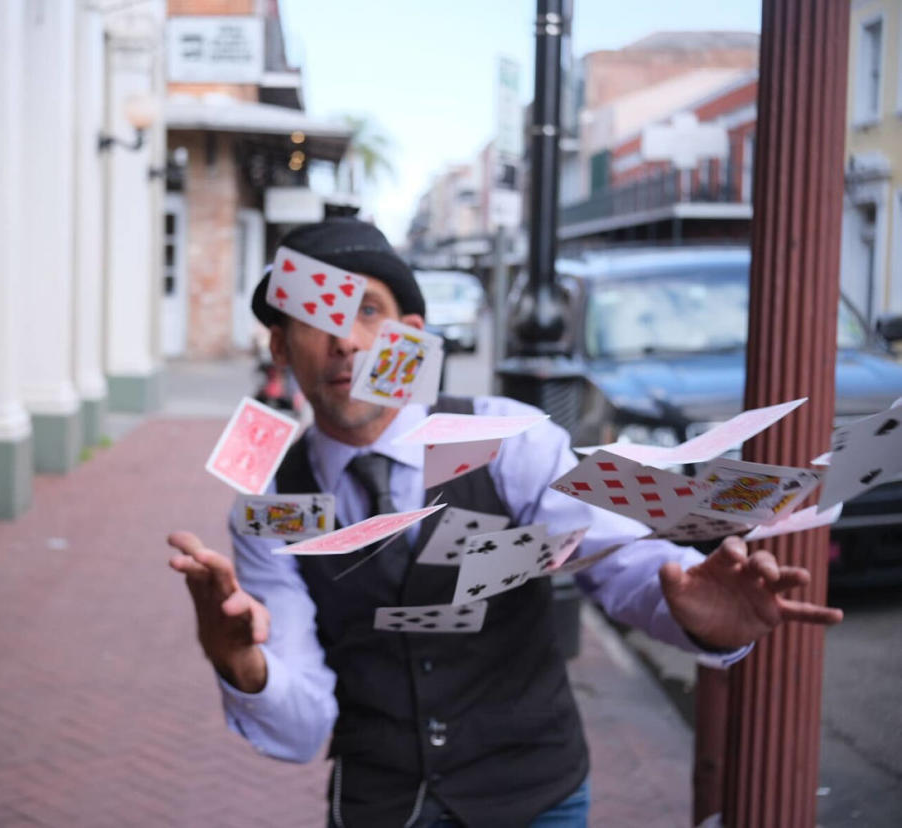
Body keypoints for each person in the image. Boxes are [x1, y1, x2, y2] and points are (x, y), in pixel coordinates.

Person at [168, 217, 842, 827]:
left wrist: (694, 609)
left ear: (412, 337)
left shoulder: (509, 435)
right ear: (281, 349)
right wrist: (240, 663)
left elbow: (615, 555)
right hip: (379, 802)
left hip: (534, 795)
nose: (346, 340)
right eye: (316, 319)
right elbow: (299, 725)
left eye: (368, 311)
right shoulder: (268, 509)